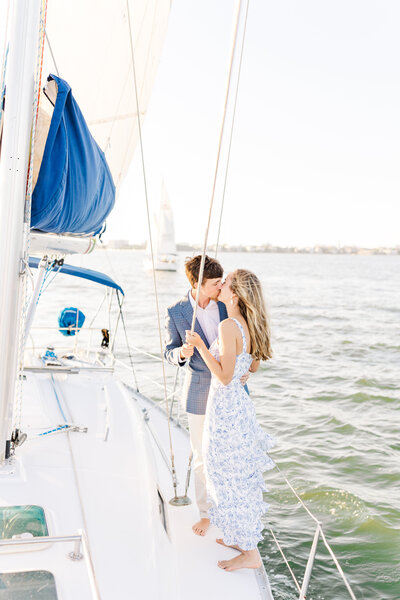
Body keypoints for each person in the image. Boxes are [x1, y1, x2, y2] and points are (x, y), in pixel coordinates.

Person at [186, 269, 275, 571]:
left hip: (225, 409)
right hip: (237, 408)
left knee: (227, 476)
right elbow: (254, 364)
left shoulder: (227, 325)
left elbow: (223, 377)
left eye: (226, 283)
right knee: (232, 474)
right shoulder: (248, 324)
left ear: (234, 294)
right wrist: (244, 371)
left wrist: (199, 345)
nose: (220, 285)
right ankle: (239, 538)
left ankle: (249, 553)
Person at [164, 255, 249, 537]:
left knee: (231, 454)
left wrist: (245, 368)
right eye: (215, 283)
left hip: (231, 390)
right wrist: (180, 354)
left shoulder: (227, 304)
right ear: (197, 284)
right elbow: (168, 351)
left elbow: (246, 340)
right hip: (199, 390)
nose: (221, 286)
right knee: (202, 457)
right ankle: (206, 513)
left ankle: (232, 511)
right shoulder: (176, 312)